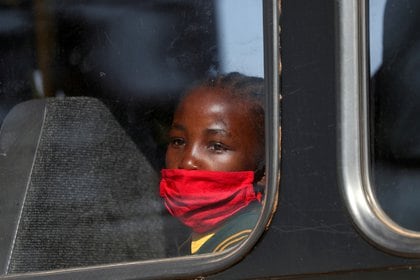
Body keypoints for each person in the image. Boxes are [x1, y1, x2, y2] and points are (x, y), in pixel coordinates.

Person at [159, 72, 265, 255]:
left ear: (262, 167)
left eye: (216, 146)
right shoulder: (188, 240)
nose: (187, 161)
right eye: (178, 141)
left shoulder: (252, 242)